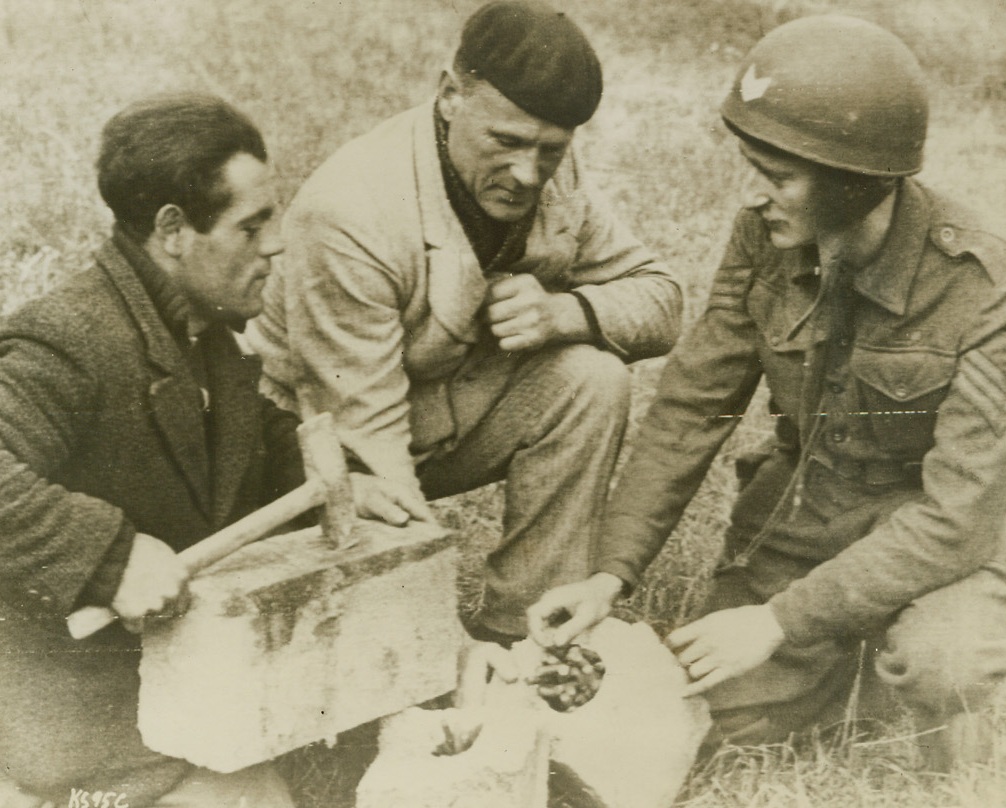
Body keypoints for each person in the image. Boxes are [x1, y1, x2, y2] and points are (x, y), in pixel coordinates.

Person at [529, 15, 1006, 771]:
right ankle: (850, 660)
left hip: (942, 523)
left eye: (779, 177)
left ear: (860, 180)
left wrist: (779, 620)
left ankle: (913, 666)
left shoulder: (984, 287)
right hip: (812, 507)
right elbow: (693, 407)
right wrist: (611, 573)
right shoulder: (761, 241)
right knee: (713, 712)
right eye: (752, 168)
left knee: (942, 664)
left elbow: (960, 518)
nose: (757, 197)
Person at [0, 93, 406, 808]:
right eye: (252, 225)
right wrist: (108, 558)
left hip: (160, 673)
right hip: (58, 701)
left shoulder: (205, 335)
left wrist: (332, 478)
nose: (275, 244)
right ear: (173, 231)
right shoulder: (68, 340)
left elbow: (235, 439)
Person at [247, 0, 682, 642]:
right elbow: (370, 444)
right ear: (450, 95)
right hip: (307, 444)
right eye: (504, 143)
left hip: (434, 407)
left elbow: (663, 299)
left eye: (550, 151)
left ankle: (528, 633)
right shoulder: (351, 210)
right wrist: (431, 640)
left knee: (593, 378)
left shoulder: (548, 172)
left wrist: (564, 313)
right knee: (393, 627)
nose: (527, 174)